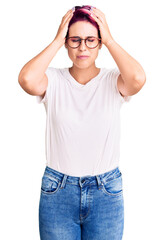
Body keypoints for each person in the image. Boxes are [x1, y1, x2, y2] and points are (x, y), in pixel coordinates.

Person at [18, 5, 146, 240]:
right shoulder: (53, 80)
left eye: (90, 40)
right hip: (58, 191)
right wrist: (57, 39)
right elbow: (26, 79)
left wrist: (109, 39)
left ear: (99, 43)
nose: (82, 47)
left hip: (106, 192)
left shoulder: (112, 80)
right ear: (67, 42)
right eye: (75, 40)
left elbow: (137, 79)